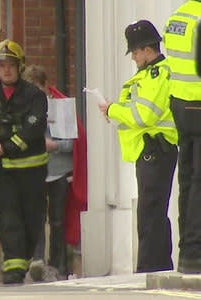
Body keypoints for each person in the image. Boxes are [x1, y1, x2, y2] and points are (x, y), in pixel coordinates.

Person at [97, 20, 178, 272]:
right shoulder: (147, 75)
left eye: (135, 51)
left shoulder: (156, 74)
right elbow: (135, 111)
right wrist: (116, 112)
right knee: (151, 212)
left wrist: (112, 109)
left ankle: (150, 268)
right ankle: (157, 265)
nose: (133, 57)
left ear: (146, 49)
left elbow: (144, 115)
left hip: (156, 150)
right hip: (150, 152)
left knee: (149, 214)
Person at [0, 39, 49, 284]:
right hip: (3, 174)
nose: (6, 70)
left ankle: (24, 259)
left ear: (19, 67)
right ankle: (14, 268)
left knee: (32, 220)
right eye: (1, 66)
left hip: (31, 171)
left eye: (10, 65)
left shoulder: (35, 96)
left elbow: (33, 128)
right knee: (9, 220)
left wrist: (5, 146)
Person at [23, 65, 73, 282]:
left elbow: (72, 144)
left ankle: (58, 264)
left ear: (45, 86)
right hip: (35, 170)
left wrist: (53, 146)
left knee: (58, 220)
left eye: (37, 88)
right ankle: (38, 261)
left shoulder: (60, 109)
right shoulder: (24, 110)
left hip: (59, 171)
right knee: (37, 217)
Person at [164, 1, 201, 274]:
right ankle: (196, 252)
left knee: (187, 181)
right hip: (199, 103)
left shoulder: (178, 16)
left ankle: (186, 252)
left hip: (180, 105)